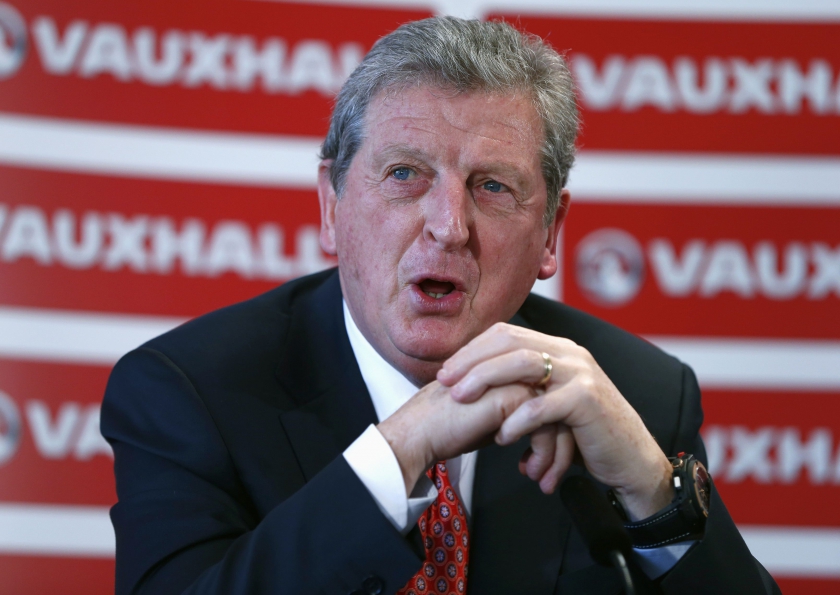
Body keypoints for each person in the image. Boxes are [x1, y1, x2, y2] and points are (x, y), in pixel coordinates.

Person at [101, 16, 780, 595]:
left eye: (491, 186)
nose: (449, 225)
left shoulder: (642, 394)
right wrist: (400, 449)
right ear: (332, 207)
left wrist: (654, 493)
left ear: (551, 234)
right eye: (405, 175)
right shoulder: (187, 392)